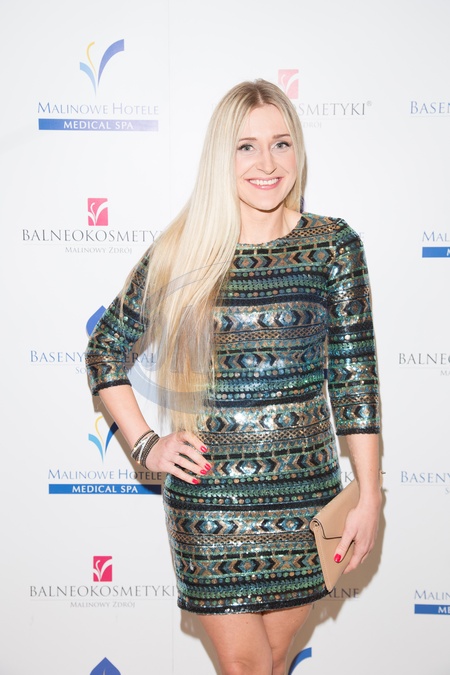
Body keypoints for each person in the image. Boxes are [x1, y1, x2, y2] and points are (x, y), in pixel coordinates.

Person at [85, 79, 381, 675]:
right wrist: (147, 446)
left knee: (273, 662)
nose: (267, 163)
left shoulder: (333, 246)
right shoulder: (185, 250)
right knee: (246, 667)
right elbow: (104, 351)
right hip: (210, 501)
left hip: (305, 498)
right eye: (246, 147)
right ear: (223, 156)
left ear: (298, 151)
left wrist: (370, 495)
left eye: (280, 143)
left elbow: (356, 380)